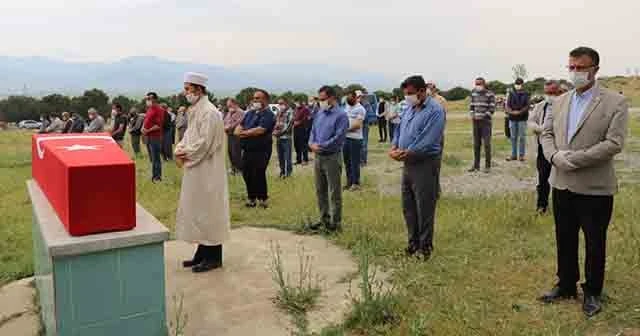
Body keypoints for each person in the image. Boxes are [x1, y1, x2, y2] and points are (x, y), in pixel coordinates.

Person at [539, 47, 629, 317]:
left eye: (581, 68)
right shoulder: (560, 101)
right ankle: (566, 285)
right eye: (572, 67)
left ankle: (592, 292)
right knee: (564, 237)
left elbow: (614, 143)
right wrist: (554, 157)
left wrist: (574, 159)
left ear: (595, 70)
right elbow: (546, 134)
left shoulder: (615, 102)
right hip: (561, 182)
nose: (576, 73)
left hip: (595, 187)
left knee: (594, 241)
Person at [175, 72, 230, 273]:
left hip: (208, 170)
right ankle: (202, 252)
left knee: (210, 211)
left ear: (199, 89)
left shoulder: (210, 112)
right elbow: (190, 135)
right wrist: (180, 149)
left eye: (188, 88)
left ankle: (213, 257)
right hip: (196, 168)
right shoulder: (195, 110)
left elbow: (205, 143)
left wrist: (186, 153)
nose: (186, 92)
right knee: (198, 210)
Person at [389, 75, 445, 259]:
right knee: (408, 207)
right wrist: (395, 147)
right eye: (405, 94)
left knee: (425, 207)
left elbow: (428, 140)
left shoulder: (435, 110)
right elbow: (399, 130)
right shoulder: (409, 109)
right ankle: (412, 244)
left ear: (422, 91)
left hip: (425, 163)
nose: (407, 97)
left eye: (411, 93)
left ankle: (425, 248)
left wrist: (407, 152)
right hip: (408, 163)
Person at [307, 86, 349, 233]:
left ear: (332, 98)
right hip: (318, 157)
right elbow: (313, 131)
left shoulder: (341, 115)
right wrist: (311, 144)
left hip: (332, 157)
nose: (320, 102)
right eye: (319, 99)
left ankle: (336, 223)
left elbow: (339, 138)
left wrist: (321, 146)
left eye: (323, 99)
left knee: (334, 191)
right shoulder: (319, 113)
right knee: (320, 190)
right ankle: (324, 219)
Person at [235, 89, 276, 208]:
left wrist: (244, 133)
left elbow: (260, 130)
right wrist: (239, 132)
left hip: (262, 149)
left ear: (266, 100)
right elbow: (239, 126)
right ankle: (251, 198)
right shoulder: (250, 113)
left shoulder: (269, 115)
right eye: (254, 98)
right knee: (247, 173)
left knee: (259, 173)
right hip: (248, 149)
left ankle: (263, 198)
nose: (255, 100)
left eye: (258, 98)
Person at [528, 80, 561, 214]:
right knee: (542, 178)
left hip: (560, 148)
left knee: (560, 179)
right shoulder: (540, 106)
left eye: (552, 92)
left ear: (558, 92)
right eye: (547, 93)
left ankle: (561, 208)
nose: (550, 95)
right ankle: (542, 206)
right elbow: (531, 121)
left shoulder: (565, 105)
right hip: (543, 148)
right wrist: (540, 129)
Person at [468, 77, 495, 173]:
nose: (477, 86)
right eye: (476, 84)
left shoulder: (490, 94)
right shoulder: (473, 92)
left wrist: (484, 116)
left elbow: (492, 108)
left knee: (487, 144)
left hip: (486, 122)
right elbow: (471, 106)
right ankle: (476, 165)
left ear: (484, 84)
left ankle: (487, 166)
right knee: (476, 144)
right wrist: (472, 114)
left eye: (479, 84)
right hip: (475, 122)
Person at [343, 90, 366, 191]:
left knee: (354, 162)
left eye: (350, 98)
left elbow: (358, 125)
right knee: (347, 161)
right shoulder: (347, 107)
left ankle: (356, 183)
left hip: (355, 139)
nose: (348, 100)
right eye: (347, 98)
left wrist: (344, 130)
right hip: (345, 139)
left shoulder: (360, 109)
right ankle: (349, 182)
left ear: (355, 97)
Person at [142, 92, 165, 183]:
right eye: (147, 98)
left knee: (156, 158)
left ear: (155, 99)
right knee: (152, 158)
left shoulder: (159, 110)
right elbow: (147, 120)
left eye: (149, 98)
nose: (147, 100)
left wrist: (148, 130)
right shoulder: (149, 109)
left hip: (155, 137)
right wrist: (143, 128)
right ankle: (153, 175)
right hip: (148, 137)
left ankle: (157, 177)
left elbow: (158, 125)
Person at [506, 78, 530, 161]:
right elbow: (508, 105)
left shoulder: (526, 93)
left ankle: (521, 155)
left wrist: (519, 112)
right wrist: (511, 112)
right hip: (512, 118)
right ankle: (513, 155)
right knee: (513, 137)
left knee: (522, 137)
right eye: (516, 84)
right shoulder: (511, 93)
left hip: (522, 118)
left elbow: (527, 106)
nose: (517, 85)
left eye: (519, 84)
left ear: (522, 85)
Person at [273, 98, 295, 178]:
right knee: (280, 156)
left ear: (286, 103)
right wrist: (274, 131)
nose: (280, 105)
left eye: (281, 103)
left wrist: (278, 133)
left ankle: (288, 173)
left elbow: (288, 126)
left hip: (286, 138)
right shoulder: (279, 112)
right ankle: (282, 172)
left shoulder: (290, 112)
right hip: (279, 138)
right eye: (279, 104)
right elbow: (275, 123)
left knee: (287, 157)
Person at [224, 99, 245, 175]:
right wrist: (225, 126)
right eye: (227, 105)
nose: (228, 106)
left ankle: (239, 169)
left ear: (235, 104)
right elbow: (225, 121)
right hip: (230, 135)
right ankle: (233, 168)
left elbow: (239, 122)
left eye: (229, 105)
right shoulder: (229, 112)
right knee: (230, 152)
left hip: (237, 135)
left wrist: (229, 127)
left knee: (236, 152)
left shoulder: (241, 112)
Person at [293, 101, 311, 165]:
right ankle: (298, 160)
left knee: (303, 145)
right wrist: (294, 122)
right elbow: (293, 117)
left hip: (302, 128)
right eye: (295, 102)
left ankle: (305, 160)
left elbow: (306, 118)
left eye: (297, 102)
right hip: (295, 128)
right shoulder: (295, 109)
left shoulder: (305, 109)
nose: (296, 103)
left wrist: (299, 122)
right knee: (296, 144)